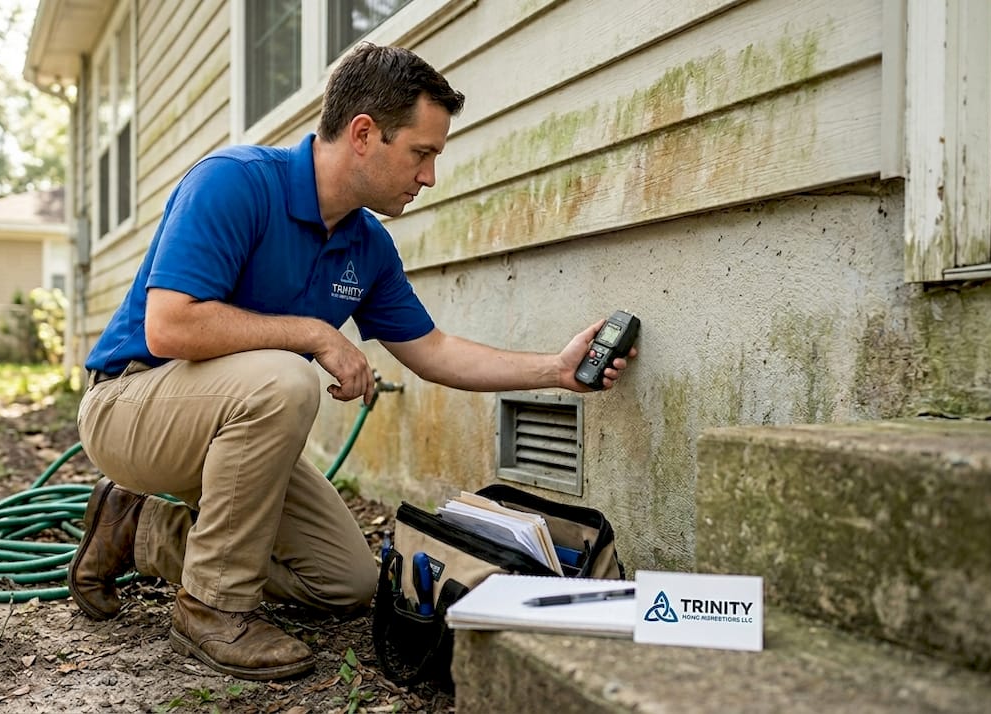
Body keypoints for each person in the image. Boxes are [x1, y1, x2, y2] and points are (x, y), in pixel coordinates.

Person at [69, 43, 636, 682]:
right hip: (131, 405)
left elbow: (435, 351)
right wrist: (313, 333)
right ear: (364, 134)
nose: (428, 177)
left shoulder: (367, 245)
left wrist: (554, 370)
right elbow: (169, 325)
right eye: (421, 153)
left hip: (227, 424)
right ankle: (212, 610)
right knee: (284, 377)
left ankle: (138, 526)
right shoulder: (234, 181)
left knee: (346, 580)